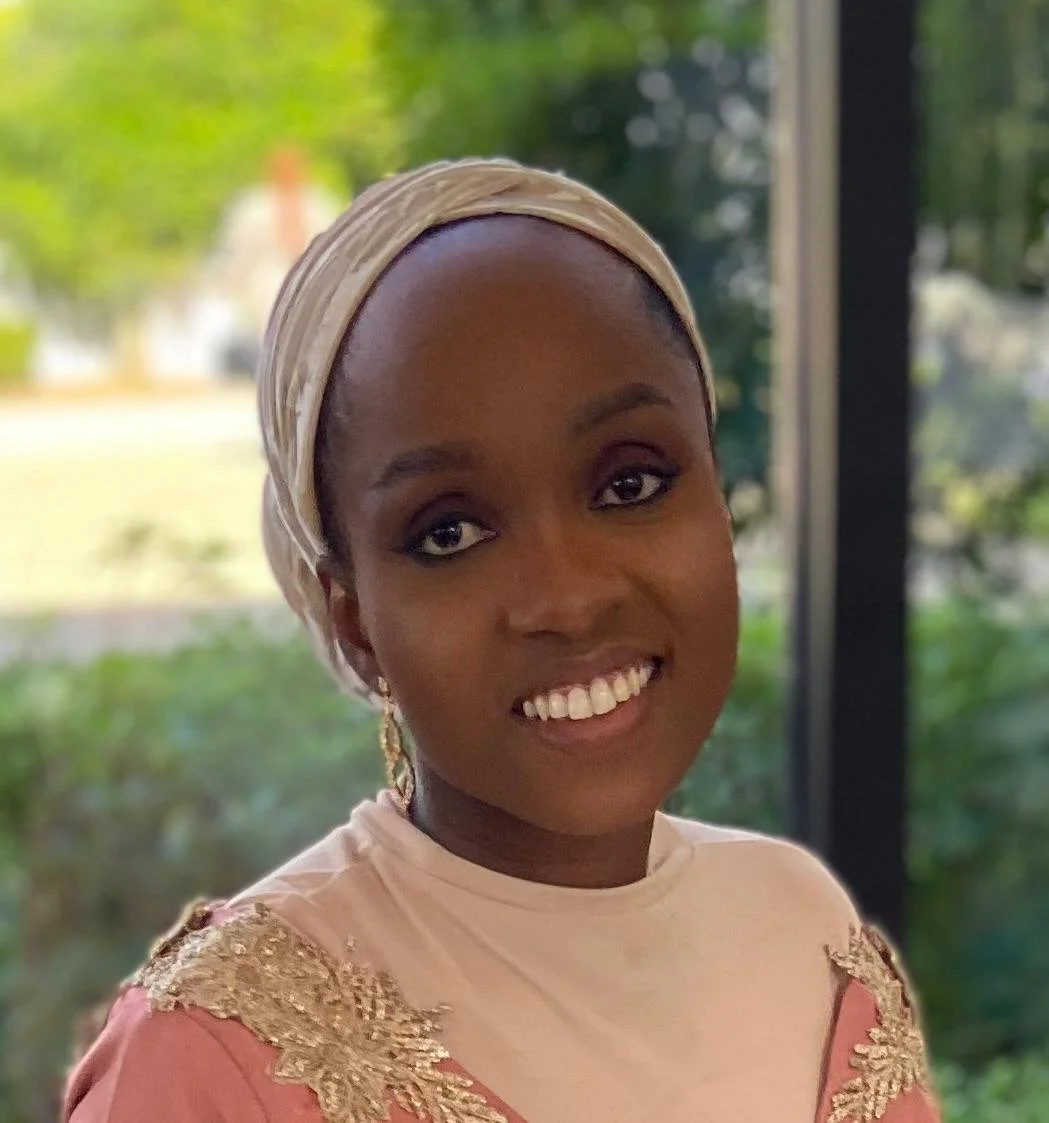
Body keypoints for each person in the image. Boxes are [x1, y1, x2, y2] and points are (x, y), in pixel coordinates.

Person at [64, 158, 940, 1123]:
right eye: (449, 532)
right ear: (355, 623)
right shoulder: (212, 1053)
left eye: (630, 484)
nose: (567, 598)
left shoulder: (803, 925)